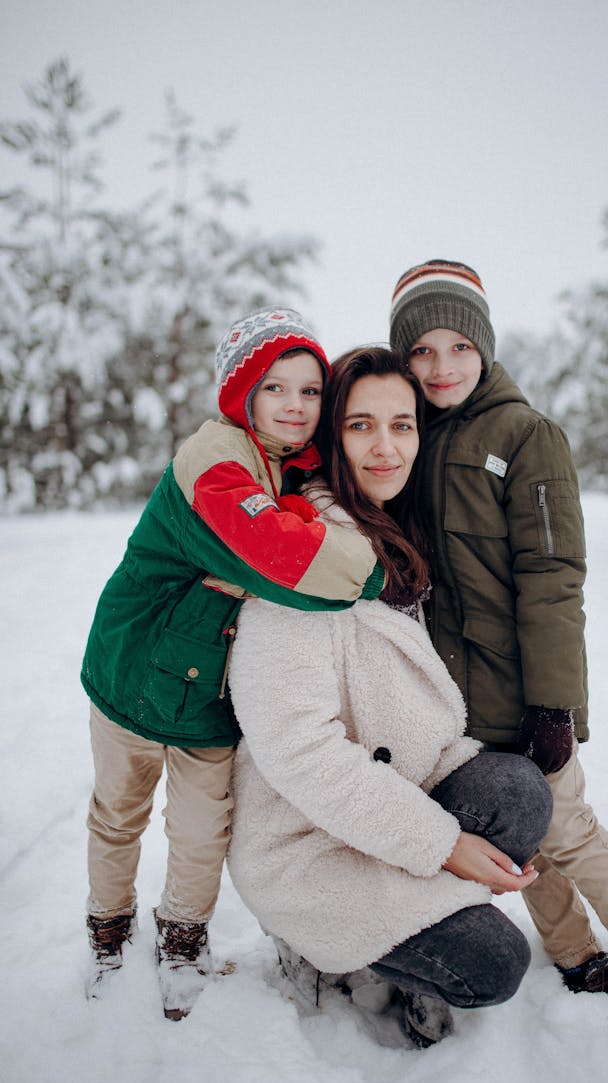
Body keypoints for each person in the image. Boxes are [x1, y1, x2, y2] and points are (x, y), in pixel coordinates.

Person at [389, 259, 608, 1080]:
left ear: (485, 347)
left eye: (458, 345)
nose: (440, 367)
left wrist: (555, 705)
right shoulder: (416, 437)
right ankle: (578, 962)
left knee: (570, 830)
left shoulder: (526, 436)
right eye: (422, 350)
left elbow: (552, 578)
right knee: (515, 847)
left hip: (525, 695)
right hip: (452, 704)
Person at [226, 346, 553, 1047]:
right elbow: (300, 752)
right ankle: (322, 946)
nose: (386, 447)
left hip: (387, 793)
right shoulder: (303, 553)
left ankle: (410, 929)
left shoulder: (393, 533)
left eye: (403, 425)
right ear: (330, 437)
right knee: (496, 964)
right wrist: (443, 845)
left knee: (520, 792)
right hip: (307, 836)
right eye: (360, 425)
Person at [81, 307, 385, 1019]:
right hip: (130, 671)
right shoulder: (214, 459)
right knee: (119, 813)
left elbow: (288, 541)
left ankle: (182, 941)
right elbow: (288, 558)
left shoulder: (292, 472)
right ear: (243, 393)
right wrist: (362, 568)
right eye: (276, 387)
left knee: (201, 828)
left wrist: (302, 522)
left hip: (209, 692)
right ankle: (106, 931)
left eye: (311, 392)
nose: (295, 406)